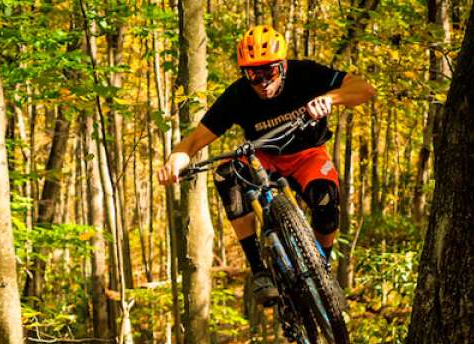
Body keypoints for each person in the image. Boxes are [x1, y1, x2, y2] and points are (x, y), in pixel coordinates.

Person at [157, 24, 375, 305]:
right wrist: (174, 161)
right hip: (263, 159)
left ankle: (324, 271)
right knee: (226, 173)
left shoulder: (306, 74)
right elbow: (194, 141)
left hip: (307, 154)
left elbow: (364, 89)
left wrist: (330, 98)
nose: (261, 81)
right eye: (252, 74)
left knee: (326, 198)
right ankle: (259, 269)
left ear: (282, 66)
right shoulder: (238, 95)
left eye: (267, 71)